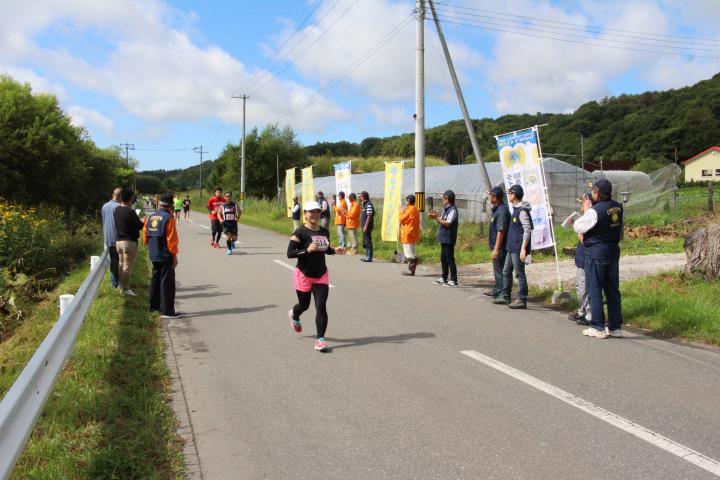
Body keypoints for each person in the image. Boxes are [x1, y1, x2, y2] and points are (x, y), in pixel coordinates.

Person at [287, 201, 345, 351]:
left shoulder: (324, 231)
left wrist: (333, 250)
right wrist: (306, 250)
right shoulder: (299, 232)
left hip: (321, 274)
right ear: (305, 214)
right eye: (311, 212)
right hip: (304, 274)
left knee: (321, 306)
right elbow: (290, 253)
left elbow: (324, 248)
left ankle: (320, 339)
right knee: (304, 305)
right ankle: (294, 314)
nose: (314, 215)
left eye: (317, 212)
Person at [573, 179, 624, 339]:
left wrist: (587, 210)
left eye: (593, 191)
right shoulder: (617, 207)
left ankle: (598, 326)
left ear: (596, 192)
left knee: (595, 289)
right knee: (612, 290)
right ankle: (615, 327)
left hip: (596, 252)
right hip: (612, 250)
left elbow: (578, 226)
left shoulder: (596, 211)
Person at [143, 193, 181, 319]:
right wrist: (174, 256)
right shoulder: (169, 218)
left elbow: (145, 237)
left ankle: (154, 308)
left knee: (155, 280)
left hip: (153, 252)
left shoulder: (151, 217)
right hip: (165, 254)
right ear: (171, 206)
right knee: (167, 283)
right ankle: (167, 311)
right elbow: (172, 240)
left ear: (160, 204)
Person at [495, 184, 533, 309]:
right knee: (506, 271)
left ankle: (522, 299)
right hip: (511, 247)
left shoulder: (522, 211)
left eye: (510, 193)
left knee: (519, 273)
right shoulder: (515, 209)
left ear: (515, 195)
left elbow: (527, 230)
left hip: (518, 248)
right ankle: (505, 296)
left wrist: (523, 249)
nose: (509, 195)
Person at [113, 187, 145, 296]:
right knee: (127, 266)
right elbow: (139, 226)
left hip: (119, 242)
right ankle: (125, 288)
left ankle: (120, 285)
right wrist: (142, 221)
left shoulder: (116, 210)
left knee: (121, 264)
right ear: (130, 198)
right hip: (129, 242)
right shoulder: (130, 211)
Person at [568, 192, 592, 326]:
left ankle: (588, 314)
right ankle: (582, 311)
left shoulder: (590, 219)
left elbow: (585, 240)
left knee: (584, 287)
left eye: (582, 202)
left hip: (586, 258)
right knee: (580, 286)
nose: (581, 205)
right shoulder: (585, 218)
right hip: (581, 257)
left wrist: (577, 229)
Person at [485, 186, 510, 299]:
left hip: (500, 246)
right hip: (497, 245)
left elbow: (501, 231)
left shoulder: (502, 211)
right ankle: (497, 289)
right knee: (497, 269)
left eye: (491, 195)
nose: (489, 197)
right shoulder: (497, 208)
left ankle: (502, 293)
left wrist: (496, 249)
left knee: (501, 270)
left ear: (495, 197)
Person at [430, 190, 459, 287]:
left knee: (450, 258)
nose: (442, 200)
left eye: (443, 198)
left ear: (447, 199)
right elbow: (441, 219)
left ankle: (454, 280)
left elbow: (447, 223)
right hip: (443, 237)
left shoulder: (453, 210)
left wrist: (436, 218)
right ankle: (444, 277)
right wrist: (436, 216)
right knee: (443, 258)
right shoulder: (446, 209)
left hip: (449, 238)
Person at [101, 188, 122, 289]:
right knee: (118, 261)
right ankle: (116, 283)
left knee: (113, 261)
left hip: (107, 237)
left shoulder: (104, 206)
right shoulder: (119, 207)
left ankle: (114, 282)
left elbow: (104, 221)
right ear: (119, 196)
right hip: (117, 238)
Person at [399, 194, 420, 276]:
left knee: (409, 253)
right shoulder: (415, 209)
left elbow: (401, 219)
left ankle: (411, 270)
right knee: (412, 252)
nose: (406, 202)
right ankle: (411, 269)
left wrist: (401, 211)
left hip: (408, 233)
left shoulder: (409, 210)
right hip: (413, 233)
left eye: (406, 200)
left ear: (408, 201)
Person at [217, 191, 240, 255]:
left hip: (233, 223)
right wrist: (220, 219)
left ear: (231, 197)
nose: (228, 197)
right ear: (225, 197)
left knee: (234, 238)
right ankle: (229, 250)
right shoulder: (222, 206)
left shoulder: (235, 205)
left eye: (229, 196)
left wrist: (238, 217)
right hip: (226, 223)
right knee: (228, 237)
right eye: (227, 196)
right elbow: (218, 213)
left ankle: (233, 242)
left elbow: (239, 211)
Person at [359, 191, 375, 262]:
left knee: (368, 241)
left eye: (361, 196)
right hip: (364, 226)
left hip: (367, 226)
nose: (360, 197)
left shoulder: (368, 205)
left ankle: (369, 257)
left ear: (364, 196)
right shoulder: (364, 205)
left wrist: (365, 226)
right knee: (365, 241)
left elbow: (369, 216)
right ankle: (366, 256)